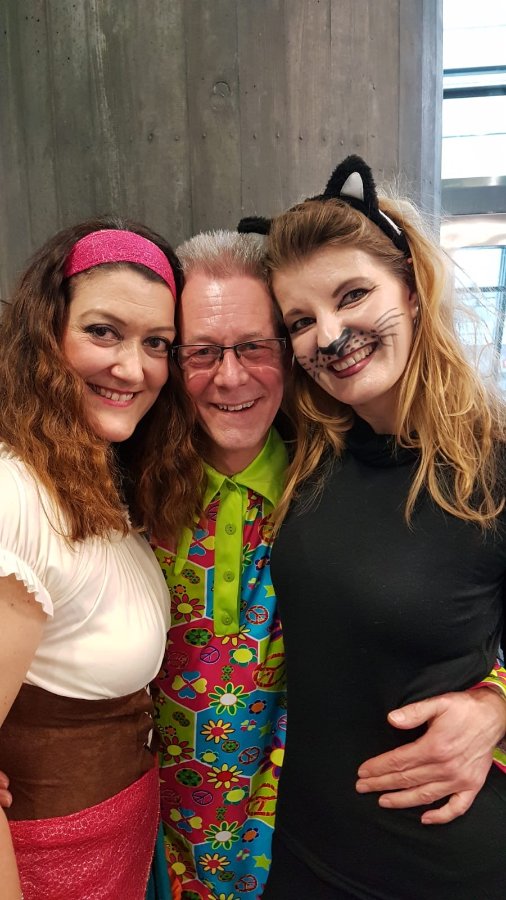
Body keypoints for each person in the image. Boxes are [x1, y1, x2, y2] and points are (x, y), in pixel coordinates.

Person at [150, 229, 506, 899]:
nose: (231, 375)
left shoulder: (324, 460)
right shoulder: (125, 487)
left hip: (323, 847)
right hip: (159, 849)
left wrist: (495, 702)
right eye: (201, 351)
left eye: (256, 345)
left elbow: (445, 604)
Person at [259, 155, 506, 898]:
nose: (330, 335)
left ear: (412, 288)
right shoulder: (304, 452)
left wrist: (497, 709)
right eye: (301, 322)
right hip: (304, 853)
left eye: (353, 295)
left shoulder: (494, 468)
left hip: (444, 863)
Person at [0, 217, 183, 900]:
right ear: (46, 335)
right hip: (48, 867)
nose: (133, 368)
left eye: (156, 343)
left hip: (121, 846)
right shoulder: (16, 493)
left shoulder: (101, 476)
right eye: (103, 332)